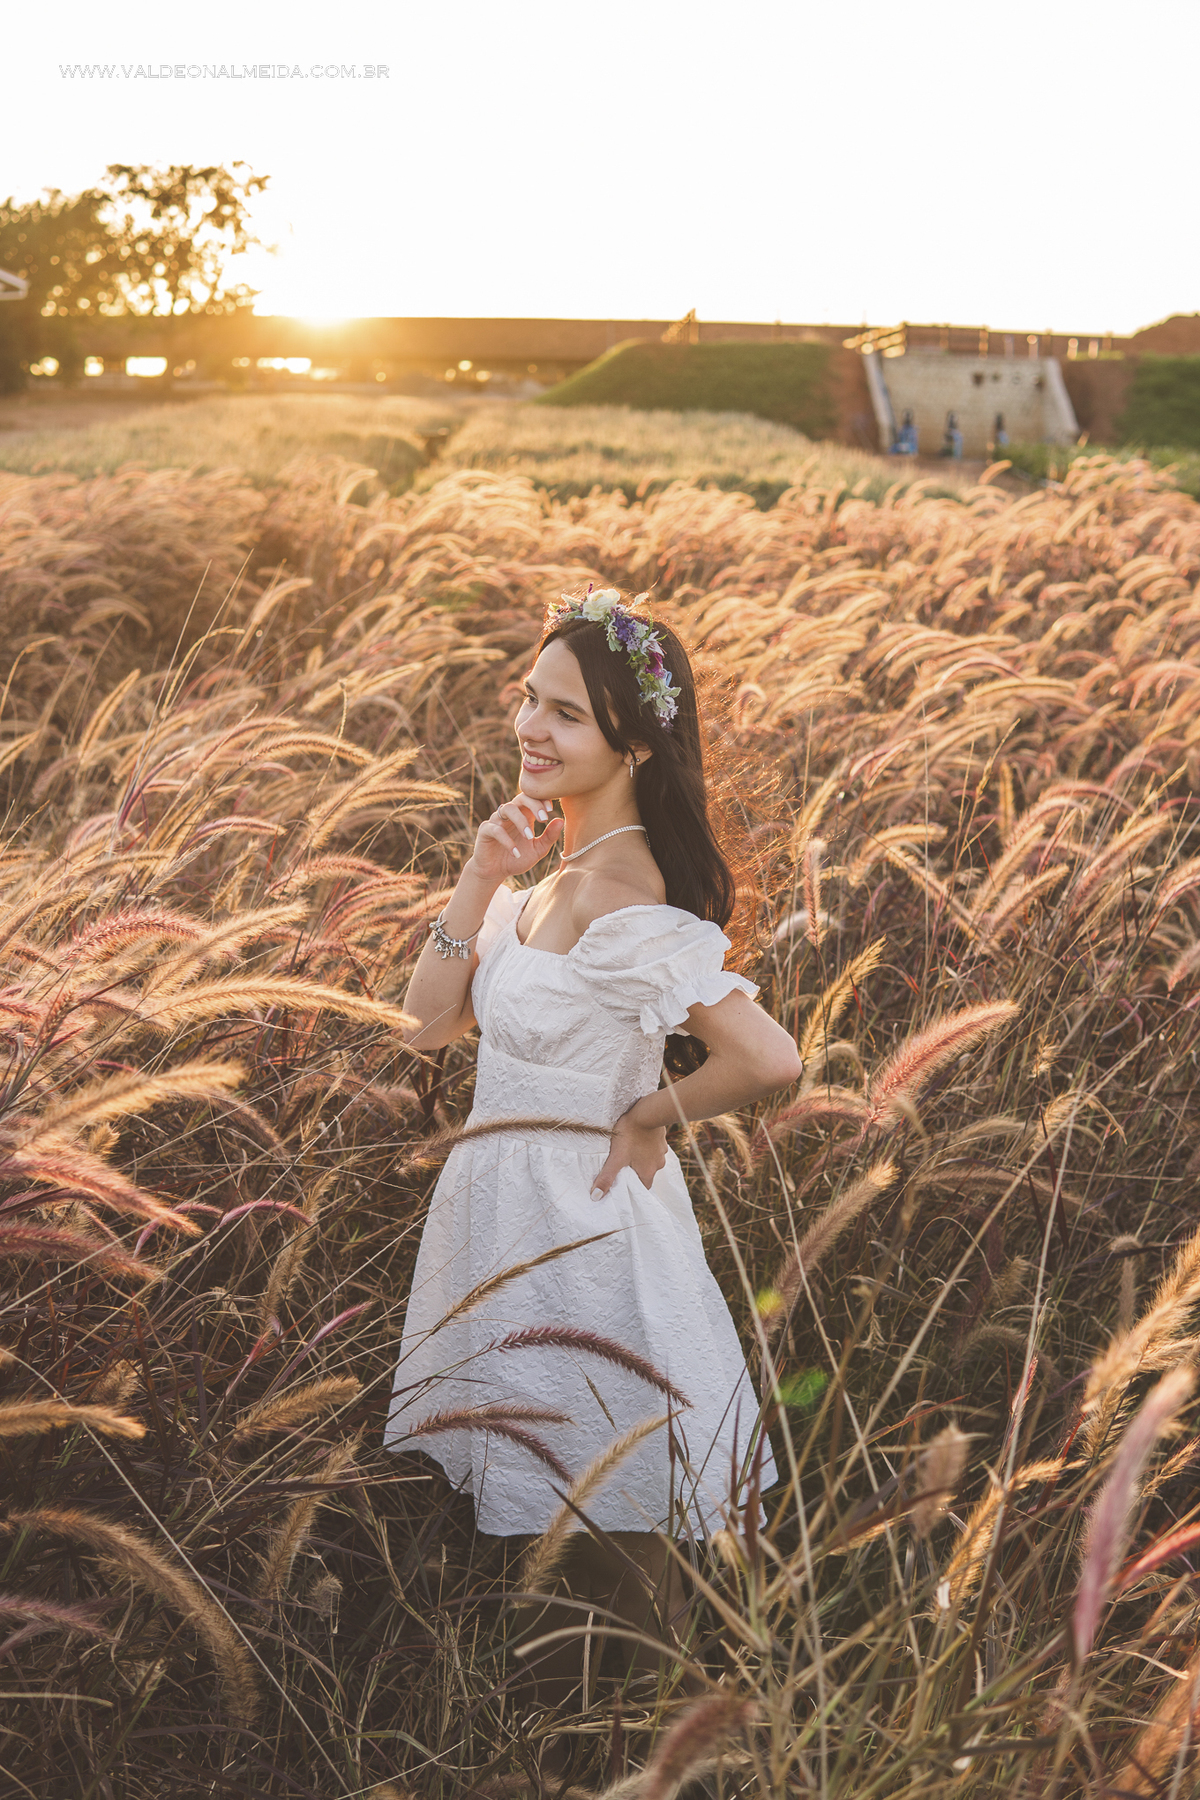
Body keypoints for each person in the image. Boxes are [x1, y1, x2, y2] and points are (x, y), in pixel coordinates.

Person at [385, 585, 801, 1726]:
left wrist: (649, 1114)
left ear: (630, 740)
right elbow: (425, 1023)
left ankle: (640, 1745)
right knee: (544, 1514)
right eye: (528, 698)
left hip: (587, 1238)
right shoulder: (535, 887)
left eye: (563, 712)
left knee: (613, 1528)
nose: (530, 725)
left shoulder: (631, 903)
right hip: (502, 1219)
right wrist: (476, 877)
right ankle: (570, 1740)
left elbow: (768, 1060)